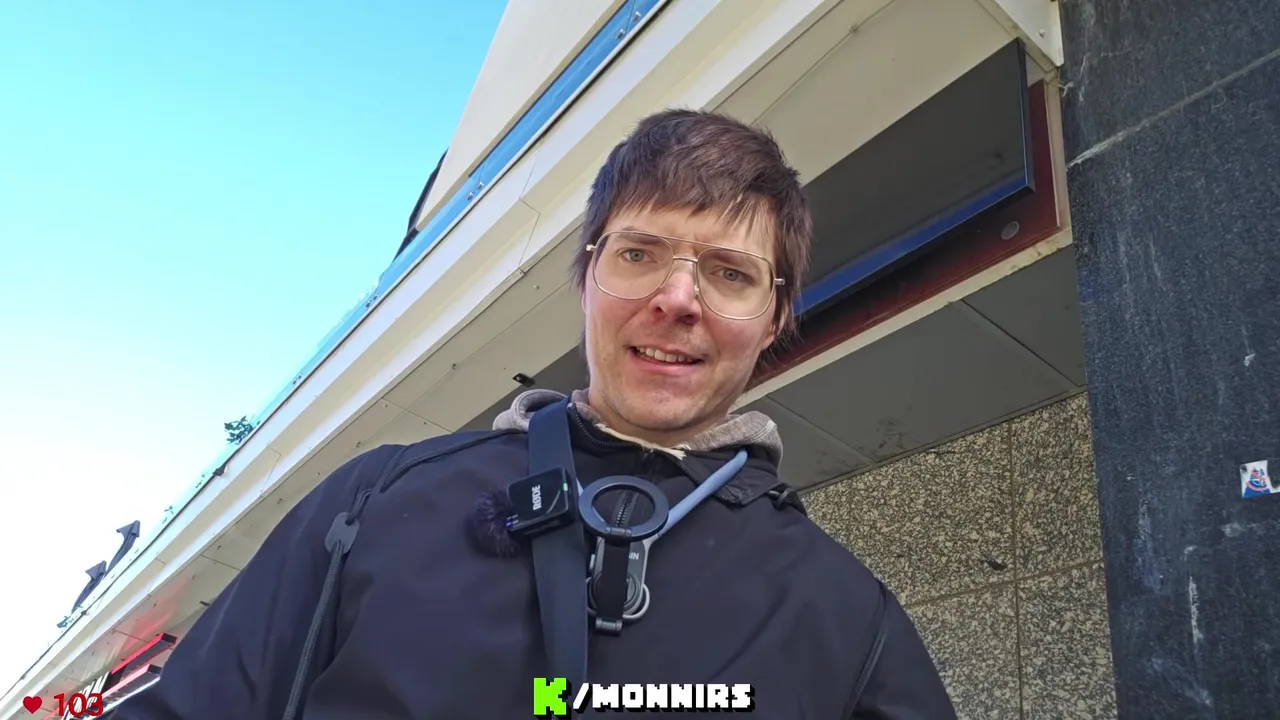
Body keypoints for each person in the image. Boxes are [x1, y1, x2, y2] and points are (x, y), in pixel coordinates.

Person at [108, 109, 955, 718]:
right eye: (639, 253)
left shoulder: (848, 618)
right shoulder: (373, 501)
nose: (677, 299)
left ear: (774, 318)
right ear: (586, 280)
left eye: (731, 273)